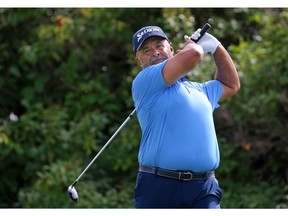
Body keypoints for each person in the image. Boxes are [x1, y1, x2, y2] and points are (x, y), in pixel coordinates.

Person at [131, 25, 240, 208]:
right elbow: (193, 55)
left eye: (159, 46)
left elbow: (231, 84)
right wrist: (192, 44)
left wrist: (216, 47)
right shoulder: (145, 81)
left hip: (204, 188)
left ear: (171, 48)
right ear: (138, 61)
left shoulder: (200, 90)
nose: (155, 52)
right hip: (159, 185)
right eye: (147, 50)